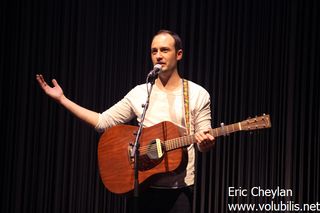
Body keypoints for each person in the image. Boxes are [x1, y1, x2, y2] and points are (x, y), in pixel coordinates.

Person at [36, 30, 215, 213]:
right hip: (142, 186)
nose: (158, 56)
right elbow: (103, 122)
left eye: (164, 50)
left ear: (179, 54)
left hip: (179, 190)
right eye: (154, 51)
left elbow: (203, 141)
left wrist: (206, 143)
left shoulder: (196, 94)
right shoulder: (140, 92)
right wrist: (62, 99)